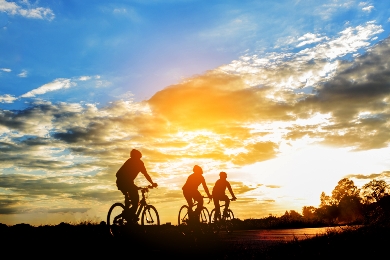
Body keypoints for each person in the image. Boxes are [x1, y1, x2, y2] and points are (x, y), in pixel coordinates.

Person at [116, 149, 158, 222]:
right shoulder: (131, 162)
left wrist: (152, 183)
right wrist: (152, 183)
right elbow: (120, 175)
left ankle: (129, 215)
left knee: (134, 200)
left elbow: (145, 174)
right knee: (135, 200)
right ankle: (129, 215)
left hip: (126, 182)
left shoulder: (138, 163)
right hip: (123, 181)